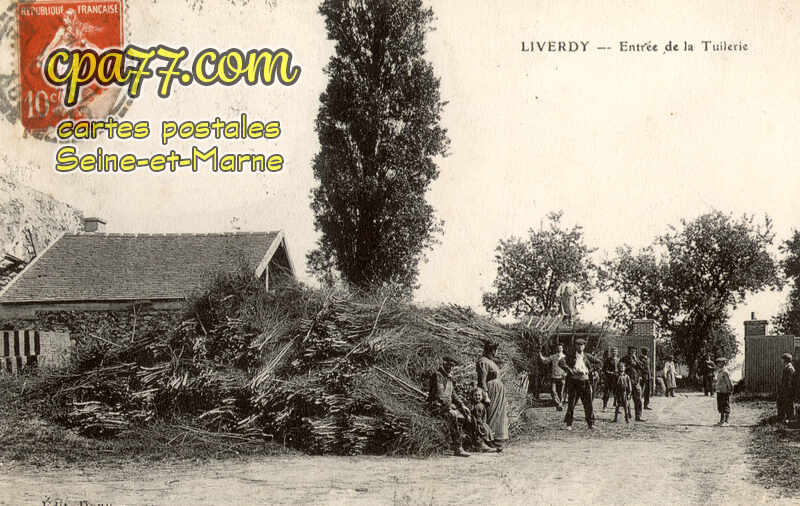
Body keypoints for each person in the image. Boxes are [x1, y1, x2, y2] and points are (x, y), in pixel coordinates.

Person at [427, 356, 472, 456]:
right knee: (452, 415)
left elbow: (453, 394)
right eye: (449, 364)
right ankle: (458, 448)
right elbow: (440, 395)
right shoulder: (438, 376)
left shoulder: (449, 377)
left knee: (464, 415)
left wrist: (462, 405)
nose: (451, 367)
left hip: (445, 407)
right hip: (436, 406)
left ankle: (462, 443)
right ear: (444, 363)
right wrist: (449, 408)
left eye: (453, 365)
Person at [558, 338, 601, 430]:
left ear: (584, 346)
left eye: (582, 345)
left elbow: (599, 363)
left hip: (585, 382)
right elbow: (561, 362)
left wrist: (591, 371)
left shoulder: (587, 356)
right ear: (575, 346)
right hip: (574, 382)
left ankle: (590, 423)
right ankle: (569, 424)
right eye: (578, 345)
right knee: (571, 403)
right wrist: (569, 370)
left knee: (588, 403)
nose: (580, 346)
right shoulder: (570, 356)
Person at [477, 341, 509, 443]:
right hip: (491, 390)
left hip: (498, 391)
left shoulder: (491, 362)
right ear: (491, 350)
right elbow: (482, 380)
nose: (496, 352)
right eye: (495, 350)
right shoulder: (483, 361)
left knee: (499, 413)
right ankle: (489, 437)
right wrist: (485, 395)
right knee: (491, 412)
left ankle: (498, 437)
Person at [469, 384, 503, 452]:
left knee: (487, 430)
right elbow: (477, 417)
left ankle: (490, 445)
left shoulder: (481, 405)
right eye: (475, 395)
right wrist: (479, 424)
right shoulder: (475, 406)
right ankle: (482, 446)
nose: (477, 397)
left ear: (482, 396)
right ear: (472, 396)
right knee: (483, 430)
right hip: (477, 423)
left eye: (479, 395)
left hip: (481, 422)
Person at [621, 346, 646, 422]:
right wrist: (628, 366)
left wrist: (636, 361)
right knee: (626, 399)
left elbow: (642, 368)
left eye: (634, 351)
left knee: (638, 399)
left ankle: (638, 416)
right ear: (628, 351)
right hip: (627, 381)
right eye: (631, 351)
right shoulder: (624, 359)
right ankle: (627, 414)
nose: (632, 353)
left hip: (636, 381)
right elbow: (620, 369)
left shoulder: (637, 359)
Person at [539, 343, 567, 410]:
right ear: (556, 349)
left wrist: (566, 373)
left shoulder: (566, 357)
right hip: (554, 377)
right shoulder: (553, 356)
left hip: (562, 377)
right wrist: (539, 354)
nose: (559, 349)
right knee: (553, 391)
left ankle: (559, 405)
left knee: (560, 392)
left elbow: (569, 366)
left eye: (560, 348)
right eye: (558, 348)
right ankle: (559, 404)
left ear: (562, 349)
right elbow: (545, 361)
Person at [777, 353, 796, 423]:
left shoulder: (790, 368)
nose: (781, 361)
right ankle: (784, 418)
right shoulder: (787, 367)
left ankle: (790, 419)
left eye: (782, 359)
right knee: (784, 403)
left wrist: (786, 390)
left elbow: (790, 381)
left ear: (785, 360)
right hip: (785, 389)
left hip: (788, 390)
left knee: (788, 404)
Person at [715, 357, 734, 426]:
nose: (718, 364)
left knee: (725, 406)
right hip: (719, 391)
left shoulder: (725, 372)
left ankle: (726, 421)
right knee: (720, 406)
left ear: (723, 363)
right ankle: (721, 421)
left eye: (720, 362)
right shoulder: (720, 371)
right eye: (718, 363)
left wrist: (730, 390)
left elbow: (729, 382)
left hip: (724, 391)